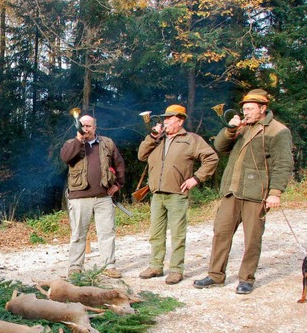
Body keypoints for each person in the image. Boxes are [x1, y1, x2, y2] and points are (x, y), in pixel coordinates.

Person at [194, 89, 294, 294]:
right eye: (244, 108)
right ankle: (215, 275)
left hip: (257, 193)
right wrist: (230, 129)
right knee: (221, 233)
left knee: (252, 239)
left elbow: (283, 164)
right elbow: (220, 146)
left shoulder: (278, 130)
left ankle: (246, 278)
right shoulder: (241, 127)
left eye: (250, 108)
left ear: (263, 108)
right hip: (232, 190)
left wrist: (275, 192)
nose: (246, 112)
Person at [137, 105, 219, 284]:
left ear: (180, 120)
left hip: (177, 193)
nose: (165, 121)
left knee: (177, 233)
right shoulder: (157, 139)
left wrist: (196, 178)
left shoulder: (191, 139)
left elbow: (211, 158)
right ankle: (156, 266)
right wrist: (152, 136)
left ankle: (176, 269)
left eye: (169, 118)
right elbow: (141, 155)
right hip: (157, 193)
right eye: (164, 118)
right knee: (155, 233)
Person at [60, 114, 126, 278]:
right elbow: (66, 158)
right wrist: (78, 140)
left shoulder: (107, 143)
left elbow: (119, 164)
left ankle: (109, 266)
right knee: (78, 234)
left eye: (89, 126)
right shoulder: (71, 144)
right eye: (82, 125)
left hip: (103, 197)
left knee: (107, 233)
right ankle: (75, 267)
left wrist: (118, 185)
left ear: (95, 127)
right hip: (79, 197)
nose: (85, 129)